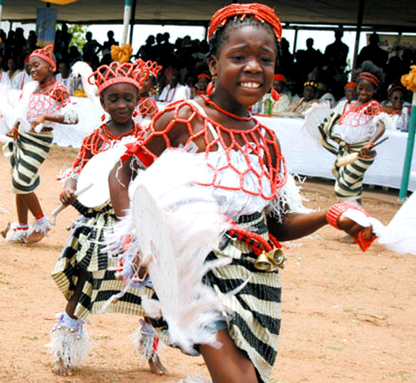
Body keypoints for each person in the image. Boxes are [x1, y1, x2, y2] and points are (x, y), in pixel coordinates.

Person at [108, 5, 377, 382]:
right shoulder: (185, 119)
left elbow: (277, 225)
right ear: (214, 65)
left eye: (264, 59)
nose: (253, 67)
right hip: (197, 268)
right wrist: (138, 240)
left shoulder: (267, 141)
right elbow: (123, 172)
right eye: (239, 57)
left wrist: (331, 215)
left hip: (255, 278)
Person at [50, 60, 166, 377]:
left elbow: (158, 175)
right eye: (113, 99)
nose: (122, 104)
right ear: (101, 102)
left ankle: (152, 352)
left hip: (137, 220)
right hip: (98, 221)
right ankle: (64, 351)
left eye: (128, 98)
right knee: (86, 280)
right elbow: (76, 171)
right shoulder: (94, 139)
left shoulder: (146, 137)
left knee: (152, 286)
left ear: (138, 100)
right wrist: (69, 189)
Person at [4, 45, 78, 243]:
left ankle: (41, 221)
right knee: (18, 183)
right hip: (21, 137)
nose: (32, 70)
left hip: (40, 140)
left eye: (37, 65)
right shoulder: (31, 88)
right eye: (30, 67)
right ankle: (21, 227)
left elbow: (73, 116)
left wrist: (46, 116)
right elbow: (22, 113)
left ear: (51, 66)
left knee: (21, 180)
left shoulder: (59, 89)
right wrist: (15, 127)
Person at [318, 61, 389, 204]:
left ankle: (353, 214)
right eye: (360, 88)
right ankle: (358, 215)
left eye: (368, 90)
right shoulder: (351, 106)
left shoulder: (373, 106)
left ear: (374, 91)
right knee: (353, 187)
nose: (363, 92)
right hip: (347, 151)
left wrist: (370, 143)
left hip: (363, 152)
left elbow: (381, 126)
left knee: (343, 187)